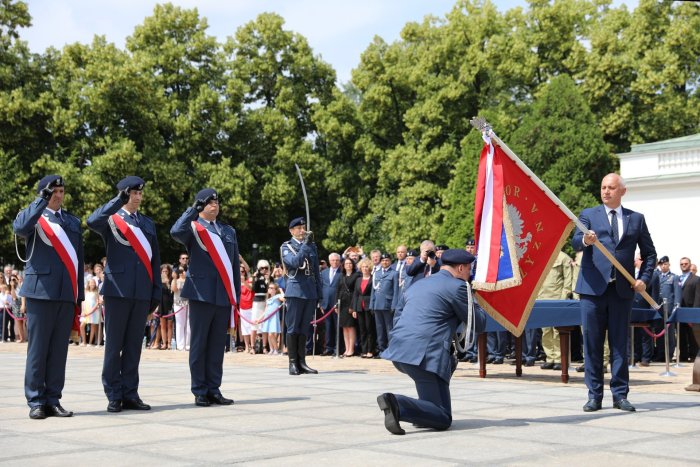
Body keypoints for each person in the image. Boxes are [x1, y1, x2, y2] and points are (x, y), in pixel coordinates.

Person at [572, 173, 656, 413]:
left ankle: (620, 395)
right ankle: (594, 395)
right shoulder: (589, 214)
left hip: (622, 291)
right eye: (603, 187)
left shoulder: (636, 219)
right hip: (592, 290)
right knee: (593, 344)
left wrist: (644, 280)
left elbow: (650, 253)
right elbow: (575, 241)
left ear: (622, 191)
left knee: (620, 345)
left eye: (610, 188)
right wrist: (586, 241)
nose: (606, 191)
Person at [378, 249, 483, 434]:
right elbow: (478, 322)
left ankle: (421, 414)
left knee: (443, 376)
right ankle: (397, 403)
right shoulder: (457, 286)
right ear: (460, 268)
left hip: (401, 351)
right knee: (443, 418)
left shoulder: (418, 284)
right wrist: (475, 298)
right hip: (425, 357)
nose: (470, 274)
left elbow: (398, 316)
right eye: (469, 269)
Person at [87, 176, 161, 413]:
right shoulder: (110, 219)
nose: (138, 197)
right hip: (117, 291)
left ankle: (130, 393)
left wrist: (156, 292)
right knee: (114, 346)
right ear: (123, 194)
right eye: (133, 193)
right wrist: (117, 201)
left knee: (133, 346)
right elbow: (91, 221)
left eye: (140, 193)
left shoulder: (147, 224)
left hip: (141, 291)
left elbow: (154, 259)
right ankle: (113, 394)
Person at [13, 174, 84, 419]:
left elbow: (78, 262)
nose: (58, 195)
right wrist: (39, 201)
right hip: (40, 292)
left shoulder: (72, 222)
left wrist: (79, 296)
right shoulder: (33, 217)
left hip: (65, 294)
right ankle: (35, 400)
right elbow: (20, 228)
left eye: (61, 191)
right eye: (52, 191)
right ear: (43, 193)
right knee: (38, 350)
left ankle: (53, 399)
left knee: (58, 351)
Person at [171, 188, 240, 406]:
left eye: (216, 202)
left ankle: (214, 388)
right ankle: (199, 390)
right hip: (201, 293)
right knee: (200, 343)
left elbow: (233, 268)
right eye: (209, 202)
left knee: (217, 345)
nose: (215, 205)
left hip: (222, 294)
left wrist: (235, 294)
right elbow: (175, 231)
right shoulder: (193, 227)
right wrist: (193, 209)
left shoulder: (228, 231)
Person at [280, 216, 322, 375]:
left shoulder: (312, 246)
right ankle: (292, 363)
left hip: (310, 291)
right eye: (298, 228)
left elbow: (316, 270)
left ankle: (302, 362)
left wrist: (320, 293)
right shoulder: (286, 247)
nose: (302, 230)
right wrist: (305, 245)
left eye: (303, 227)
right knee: (293, 327)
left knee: (304, 328)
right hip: (295, 291)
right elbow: (295, 263)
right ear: (291, 231)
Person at [539, 251, 573, 370]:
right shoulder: (541, 256)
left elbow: (568, 280)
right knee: (546, 330)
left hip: (557, 299)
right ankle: (550, 358)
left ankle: (559, 358)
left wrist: (563, 298)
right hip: (542, 298)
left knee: (558, 330)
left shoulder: (564, 257)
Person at [370, 253, 398, 355]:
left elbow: (396, 291)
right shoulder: (376, 273)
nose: (384, 262)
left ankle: (391, 350)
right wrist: (372, 305)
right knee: (379, 328)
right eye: (383, 260)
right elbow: (373, 291)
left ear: (390, 261)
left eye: (386, 260)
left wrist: (394, 305)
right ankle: (381, 349)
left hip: (387, 304)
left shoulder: (394, 273)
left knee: (389, 328)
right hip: (377, 304)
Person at [654, 256, 681, 361]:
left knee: (669, 334)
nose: (663, 266)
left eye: (665, 264)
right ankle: (660, 355)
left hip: (669, 309)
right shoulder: (657, 276)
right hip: (659, 309)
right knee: (659, 332)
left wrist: (676, 306)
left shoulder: (674, 277)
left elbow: (677, 293)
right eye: (661, 264)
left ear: (669, 265)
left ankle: (669, 355)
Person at [336, 257, 360, 357]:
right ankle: (346, 348)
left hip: (351, 302)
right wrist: (336, 305)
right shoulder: (341, 276)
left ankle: (351, 349)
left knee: (351, 326)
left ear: (353, 265)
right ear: (344, 265)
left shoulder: (357, 275)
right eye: (346, 264)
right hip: (342, 303)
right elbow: (338, 290)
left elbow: (356, 292)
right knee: (344, 327)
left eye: (350, 263)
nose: (348, 265)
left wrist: (353, 306)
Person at [353, 258, 376, 358]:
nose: (365, 268)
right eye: (363, 267)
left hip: (369, 306)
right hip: (359, 307)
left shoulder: (373, 278)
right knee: (362, 330)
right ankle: (364, 350)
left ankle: (371, 350)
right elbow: (355, 294)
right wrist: (354, 308)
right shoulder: (358, 280)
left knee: (369, 329)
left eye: (366, 266)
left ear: (370, 268)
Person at [319, 252, 341, 356]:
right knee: (328, 327)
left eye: (336, 260)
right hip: (326, 303)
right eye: (333, 260)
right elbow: (321, 288)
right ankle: (328, 348)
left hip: (337, 304)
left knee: (337, 326)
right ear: (329, 261)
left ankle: (337, 348)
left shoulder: (342, 272)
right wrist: (321, 303)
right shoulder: (324, 273)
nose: (335, 262)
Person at [260, 282, 284, 355]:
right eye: (269, 288)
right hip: (268, 318)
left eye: (271, 288)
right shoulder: (268, 299)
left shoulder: (277, 296)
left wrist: (281, 291)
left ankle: (276, 349)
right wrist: (259, 319)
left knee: (271, 334)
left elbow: (284, 298)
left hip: (273, 317)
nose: (269, 289)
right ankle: (271, 349)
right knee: (268, 334)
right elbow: (265, 311)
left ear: (275, 290)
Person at [172, 266, 191, 351]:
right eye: (179, 271)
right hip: (178, 304)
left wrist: (187, 278)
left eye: (183, 270)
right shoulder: (175, 280)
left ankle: (188, 345)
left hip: (188, 304)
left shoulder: (189, 280)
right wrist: (175, 278)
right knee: (179, 324)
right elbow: (174, 289)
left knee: (189, 324)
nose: (181, 272)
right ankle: (180, 345)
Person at [80, 278, 101, 346]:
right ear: (88, 284)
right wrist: (83, 311)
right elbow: (83, 301)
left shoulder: (96, 292)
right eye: (91, 283)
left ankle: (90, 342)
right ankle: (84, 342)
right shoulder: (85, 292)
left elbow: (97, 303)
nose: (92, 284)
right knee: (81, 326)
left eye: (94, 282)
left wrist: (91, 311)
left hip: (93, 311)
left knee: (93, 326)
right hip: (85, 311)